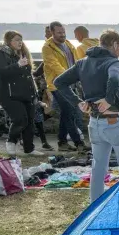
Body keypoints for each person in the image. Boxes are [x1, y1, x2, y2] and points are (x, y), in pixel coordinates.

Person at [53, 29, 119, 201]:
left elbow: (59, 82)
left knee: (98, 168)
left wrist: (77, 102)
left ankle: (94, 205)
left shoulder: (82, 63)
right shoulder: (114, 63)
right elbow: (113, 79)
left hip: (94, 123)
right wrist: (108, 99)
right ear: (114, 44)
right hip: (114, 122)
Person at [0, 31, 41, 156]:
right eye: (17, 39)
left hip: (25, 93)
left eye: (21, 39)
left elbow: (28, 76)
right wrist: (17, 65)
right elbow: (0, 72)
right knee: (20, 119)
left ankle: (29, 148)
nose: (20, 42)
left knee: (29, 121)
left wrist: (35, 94)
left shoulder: (21, 54)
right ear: (9, 41)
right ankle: (11, 141)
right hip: (8, 94)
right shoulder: (0, 54)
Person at [42, 21, 85, 151]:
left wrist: (80, 75)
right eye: (59, 33)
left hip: (71, 83)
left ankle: (62, 142)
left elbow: (76, 61)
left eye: (64, 32)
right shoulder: (47, 47)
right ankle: (79, 144)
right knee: (69, 111)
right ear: (52, 32)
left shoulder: (68, 44)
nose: (62, 35)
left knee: (66, 113)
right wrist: (68, 76)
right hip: (57, 84)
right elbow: (53, 64)